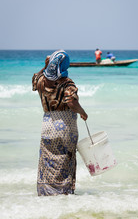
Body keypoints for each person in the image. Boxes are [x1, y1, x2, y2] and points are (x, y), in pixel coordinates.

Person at [32, 50, 88, 196]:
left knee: (47, 162)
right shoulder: (66, 83)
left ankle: (47, 194)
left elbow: (35, 80)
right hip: (65, 128)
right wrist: (82, 112)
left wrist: (45, 67)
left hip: (48, 126)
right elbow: (71, 101)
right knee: (65, 161)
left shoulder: (41, 81)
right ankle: (63, 195)